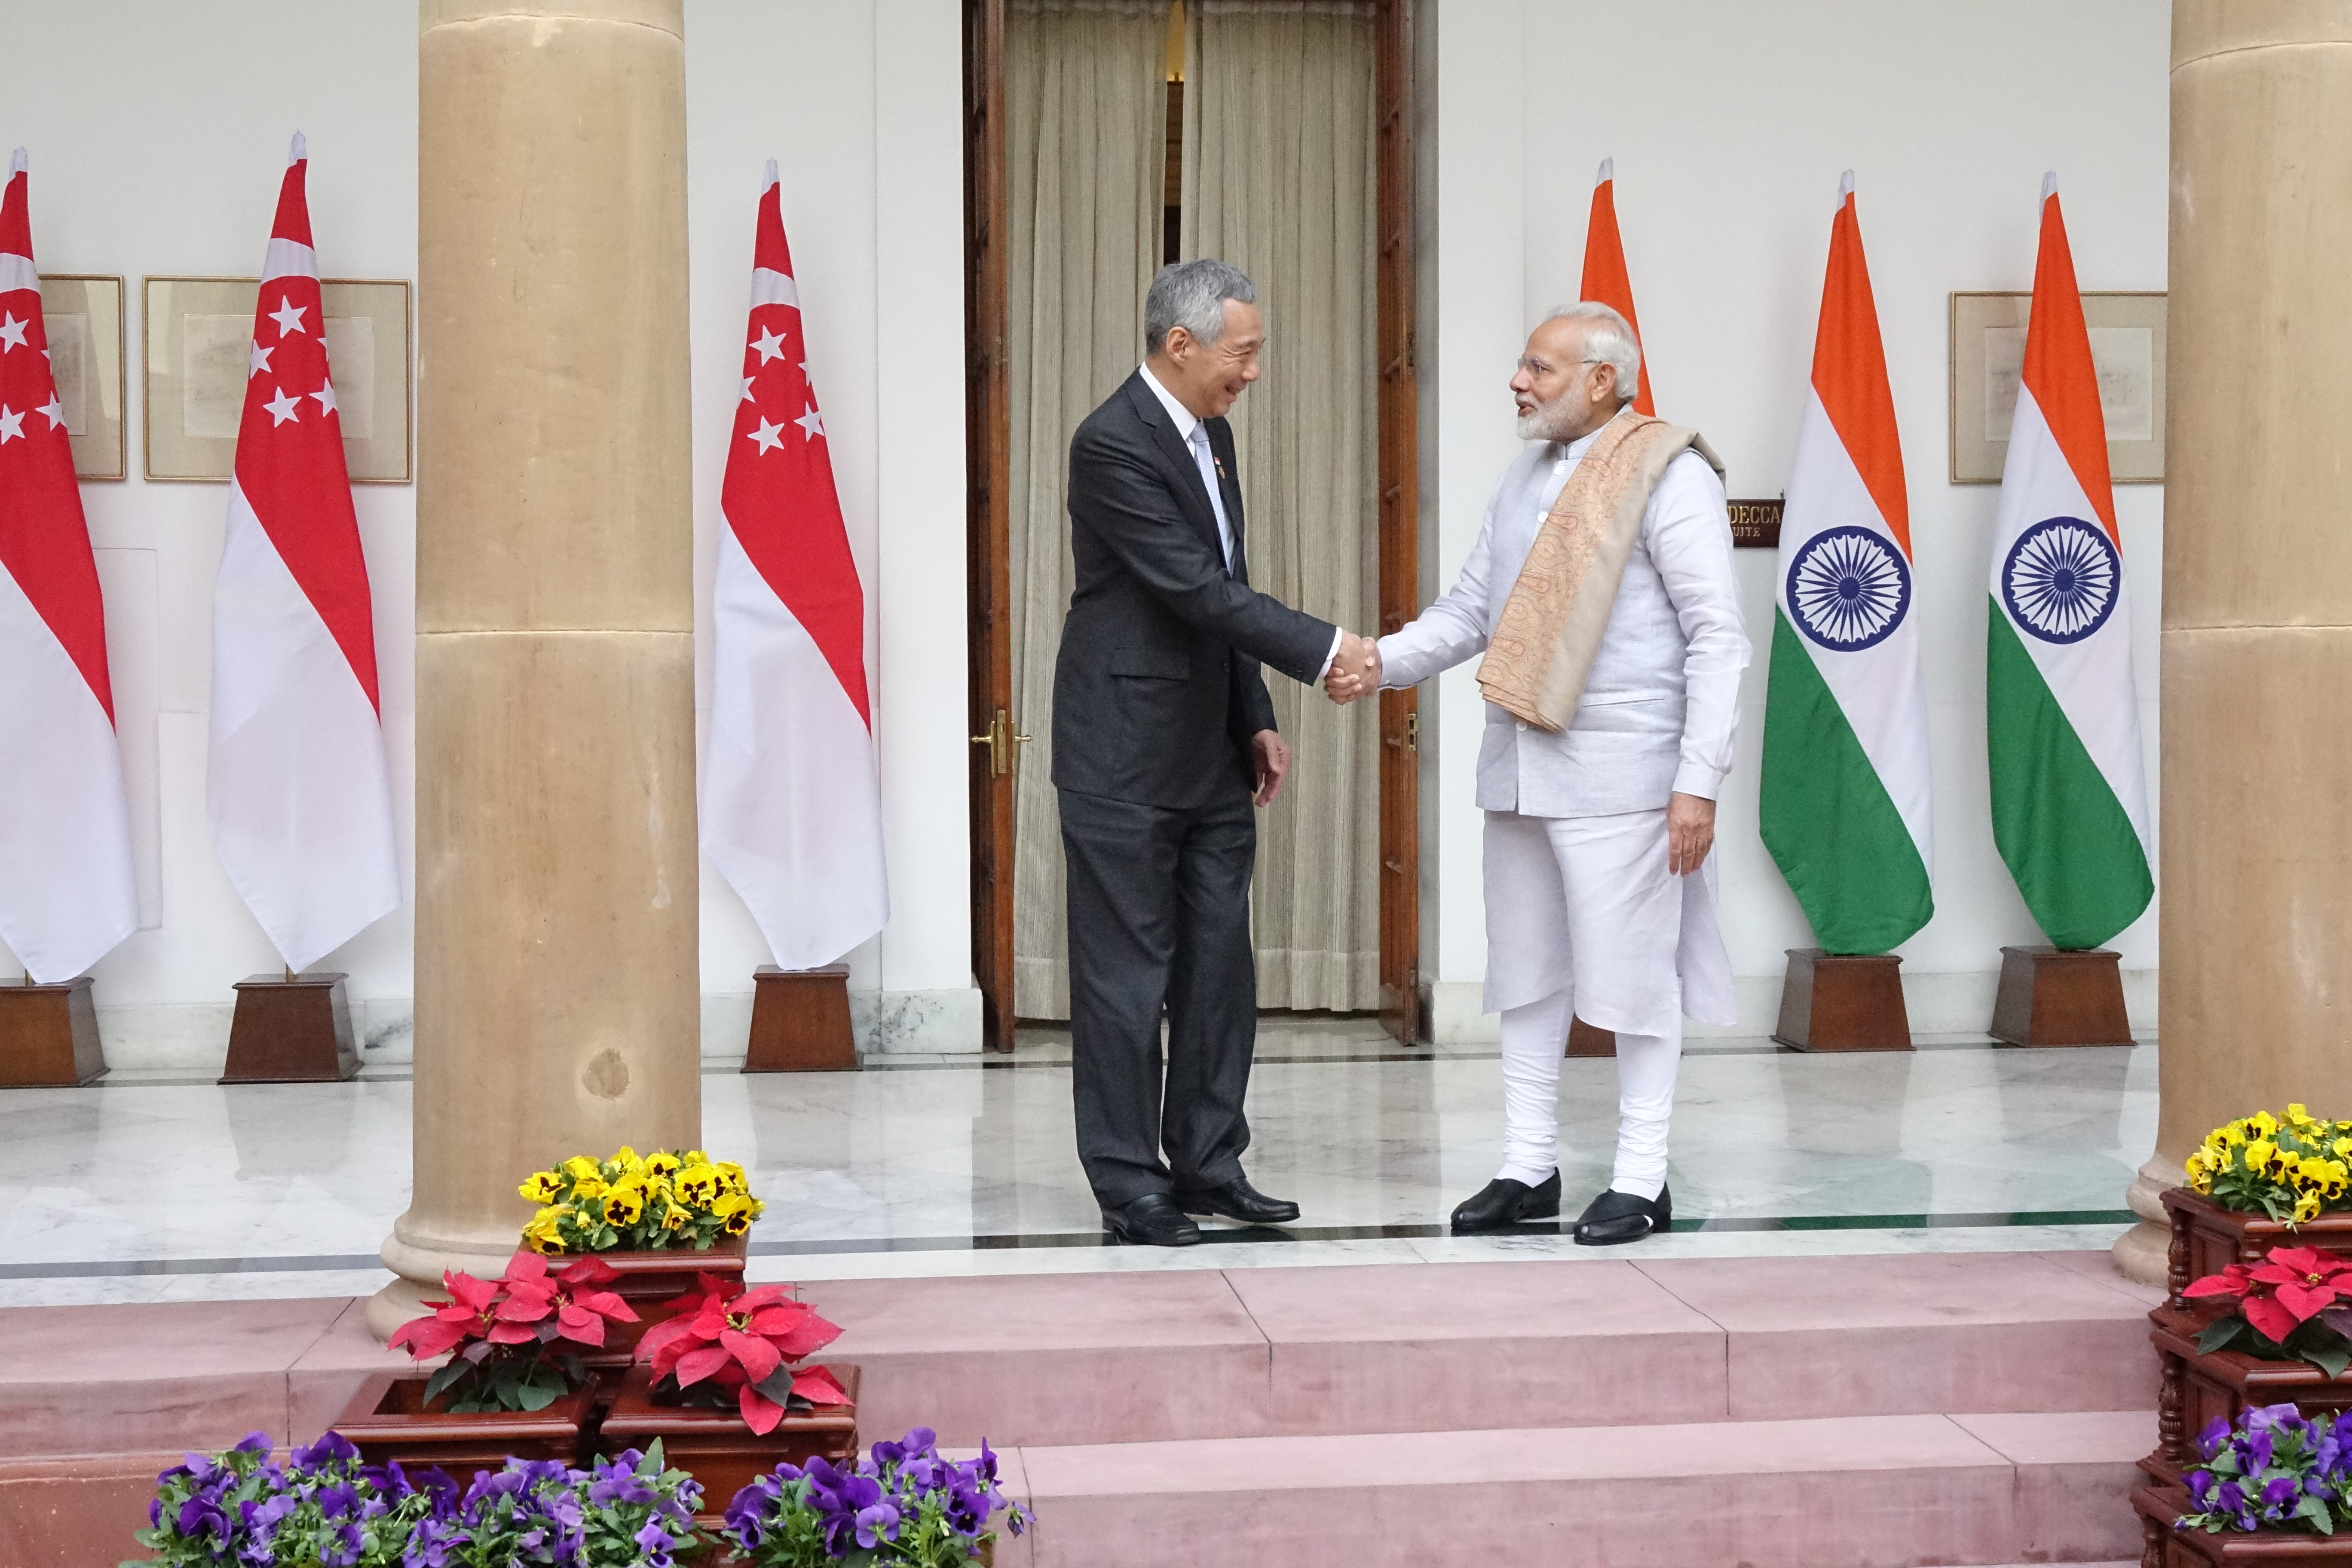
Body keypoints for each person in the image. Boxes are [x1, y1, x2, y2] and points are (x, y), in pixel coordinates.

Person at [1324, 301, 1747, 1245]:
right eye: (1522, 366)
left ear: (1602, 379)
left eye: (1539, 368)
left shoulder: (1670, 477)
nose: (1519, 381)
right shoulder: (1524, 476)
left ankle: (1642, 1179)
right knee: (1526, 974)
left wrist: (1699, 781)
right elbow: (1472, 609)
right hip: (1520, 766)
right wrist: (1376, 662)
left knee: (1635, 982)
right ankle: (1529, 1165)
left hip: (1628, 779)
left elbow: (1719, 639)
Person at [1055, 258, 1379, 1247]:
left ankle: (1206, 1163)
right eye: (1244, 353)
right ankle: (1129, 1184)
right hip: (1121, 755)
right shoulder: (1111, 443)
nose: (1253, 373)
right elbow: (1191, 588)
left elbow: (1226, 582)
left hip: (1208, 751)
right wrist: (1327, 648)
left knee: (1216, 969)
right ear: (1181, 344)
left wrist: (1255, 714)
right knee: (1126, 979)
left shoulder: (1216, 437)